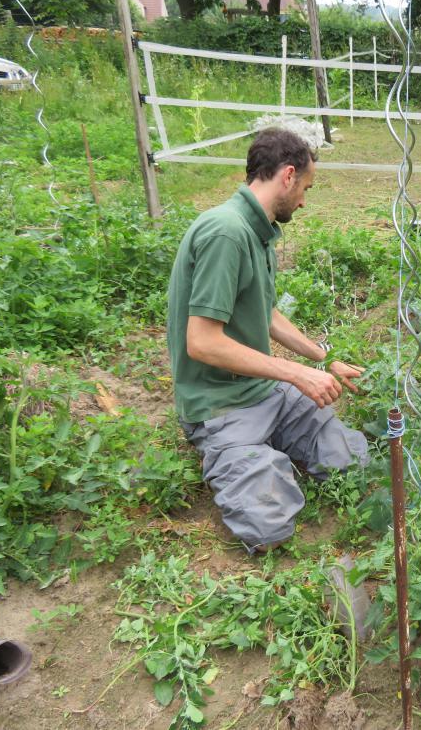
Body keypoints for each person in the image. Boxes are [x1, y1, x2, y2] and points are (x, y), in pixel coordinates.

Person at [166, 128, 370, 554]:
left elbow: (265, 312)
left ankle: (273, 453)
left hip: (261, 390)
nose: (303, 201)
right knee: (269, 525)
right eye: (306, 189)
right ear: (288, 175)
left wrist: (323, 359)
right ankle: (249, 460)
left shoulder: (254, 230)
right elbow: (202, 343)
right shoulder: (226, 233)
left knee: (351, 464)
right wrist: (296, 373)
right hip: (220, 405)